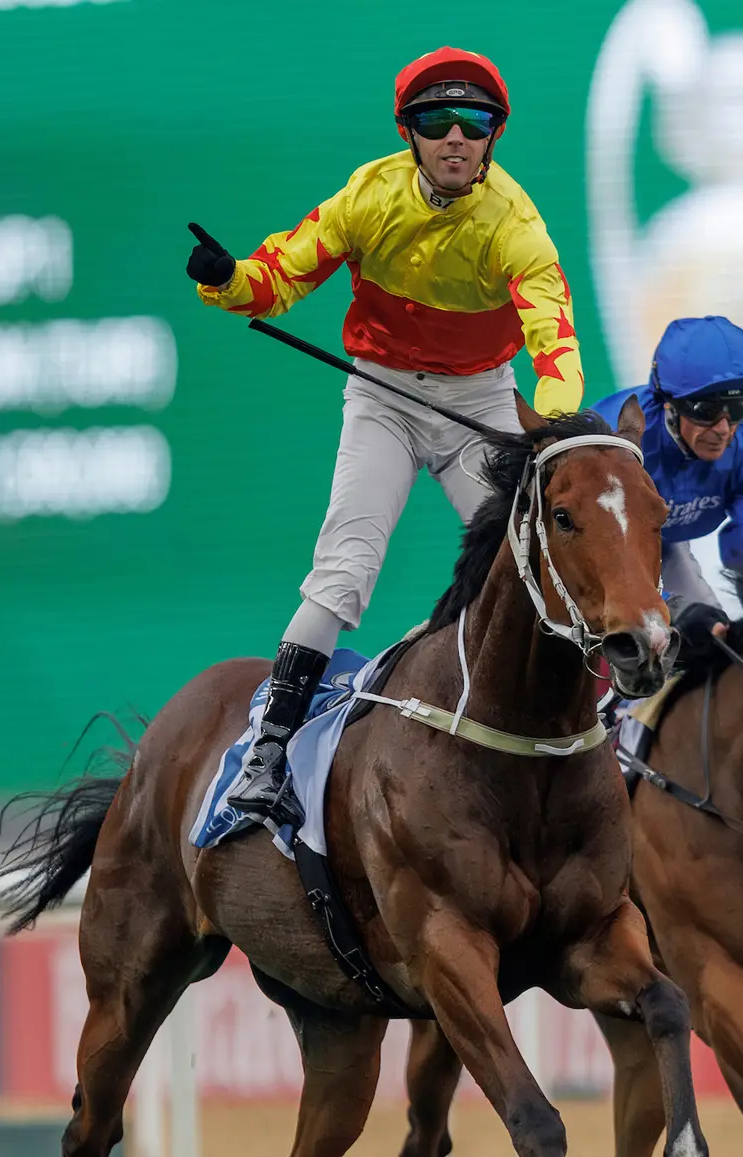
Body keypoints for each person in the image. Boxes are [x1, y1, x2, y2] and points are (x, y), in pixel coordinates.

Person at [185, 47, 586, 823]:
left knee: (541, 562)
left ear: (495, 136)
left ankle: (585, 734)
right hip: (385, 399)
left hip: (481, 401)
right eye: (438, 121)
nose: (457, 137)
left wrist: (555, 421)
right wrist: (226, 280)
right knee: (344, 569)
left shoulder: (517, 224)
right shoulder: (369, 197)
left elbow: (553, 336)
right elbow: (282, 274)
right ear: (410, 132)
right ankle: (269, 752)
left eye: (477, 121)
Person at [590, 316, 743, 659]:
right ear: (668, 406)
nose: (724, 428)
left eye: (738, 408)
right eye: (706, 411)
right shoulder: (614, 440)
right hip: (595, 545)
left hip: (663, 544)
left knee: (716, 646)